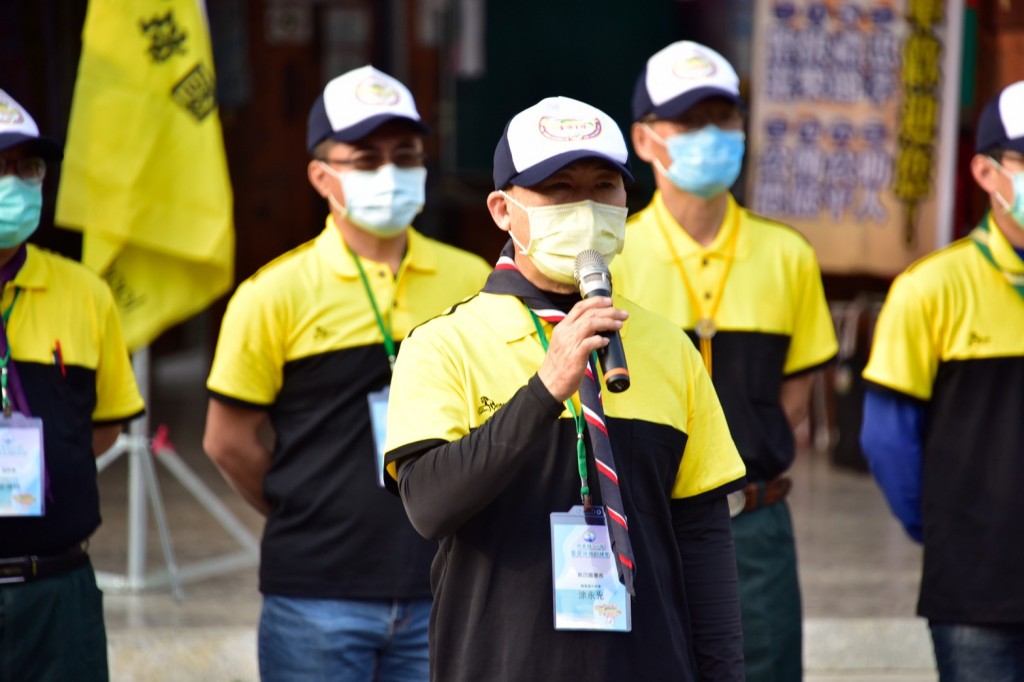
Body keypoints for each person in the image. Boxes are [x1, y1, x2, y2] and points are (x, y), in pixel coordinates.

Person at [383, 95, 748, 681]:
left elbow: (703, 539)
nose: (585, 207)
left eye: (604, 186)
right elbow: (429, 507)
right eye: (558, 188)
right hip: (499, 664)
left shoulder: (666, 345)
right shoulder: (443, 345)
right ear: (503, 210)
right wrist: (544, 391)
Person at [203, 65, 490, 681]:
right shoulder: (272, 294)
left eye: (405, 153)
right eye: (365, 158)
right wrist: (307, 506)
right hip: (316, 596)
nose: (390, 171)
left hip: (447, 583)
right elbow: (227, 440)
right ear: (321, 176)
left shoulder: (474, 281)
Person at [610, 41, 839, 681]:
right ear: (646, 138)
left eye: (724, 119)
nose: (711, 136)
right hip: (639, 519)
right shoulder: (614, 254)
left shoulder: (786, 253)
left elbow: (795, 391)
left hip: (754, 521)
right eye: (689, 122)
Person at [860, 80, 1024, 680]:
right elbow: (885, 440)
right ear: (985, 172)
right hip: (976, 590)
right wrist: (953, 529)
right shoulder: (930, 288)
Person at [0, 89, 144, 680]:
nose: (14, 184)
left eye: (25, 169)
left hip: (57, 588)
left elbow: (102, 426)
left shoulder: (86, 292)